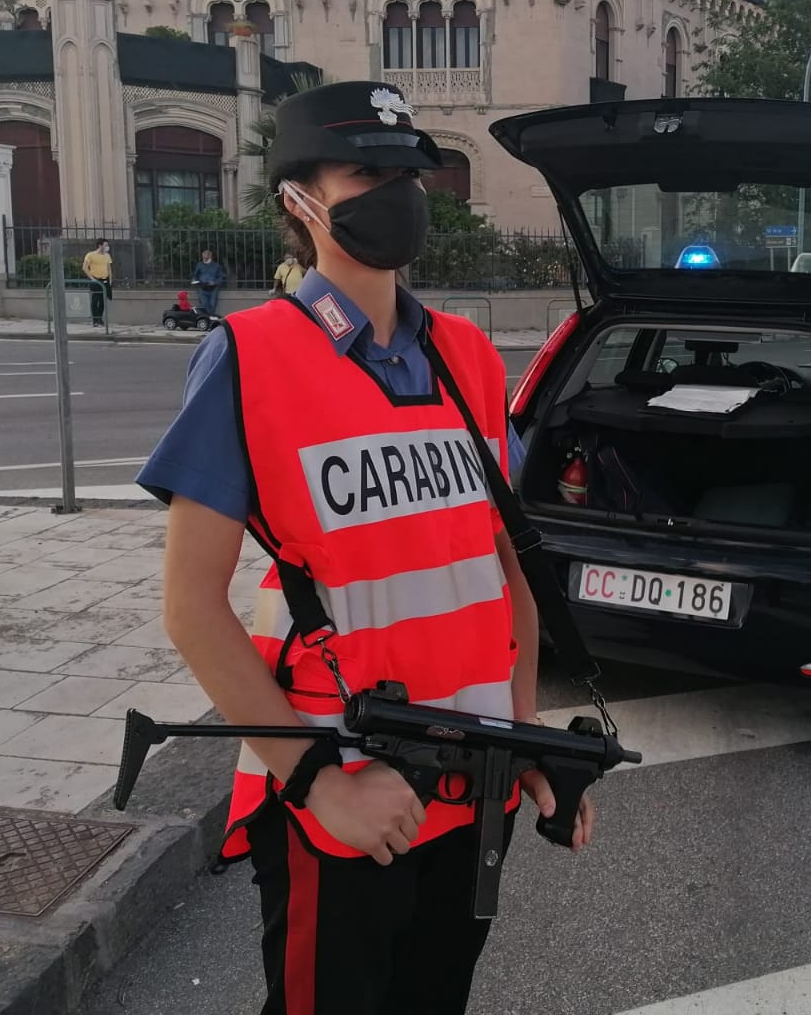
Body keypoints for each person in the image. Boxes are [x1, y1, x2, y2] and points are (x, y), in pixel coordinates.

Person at [136, 80, 580, 1015]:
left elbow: (506, 566)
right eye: (365, 172)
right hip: (343, 785)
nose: (398, 191)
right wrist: (319, 786)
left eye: (408, 170)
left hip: (471, 782)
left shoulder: (466, 353)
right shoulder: (249, 354)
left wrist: (527, 731)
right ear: (298, 201)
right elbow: (190, 606)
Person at [82, 237, 113, 328]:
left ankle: (100, 319)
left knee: (103, 300)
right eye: (105, 245)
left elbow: (109, 268)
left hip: (105, 279)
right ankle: (95, 320)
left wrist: (110, 279)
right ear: (100, 246)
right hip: (95, 280)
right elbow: (85, 267)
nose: (107, 247)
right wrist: (92, 278)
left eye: (107, 245)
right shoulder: (90, 255)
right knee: (95, 299)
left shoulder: (107, 256)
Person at [192, 248, 226, 314]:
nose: (204, 257)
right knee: (204, 304)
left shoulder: (216, 266)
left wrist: (215, 282)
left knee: (212, 304)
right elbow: (195, 275)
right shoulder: (199, 265)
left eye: (206, 255)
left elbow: (221, 277)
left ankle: (210, 318)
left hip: (213, 288)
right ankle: (206, 318)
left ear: (210, 256)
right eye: (203, 255)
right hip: (202, 287)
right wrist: (195, 280)